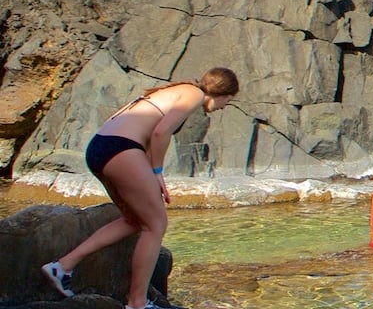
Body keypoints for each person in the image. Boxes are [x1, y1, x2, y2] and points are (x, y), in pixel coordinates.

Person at [41, 68, 239, 309]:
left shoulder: (172, 91)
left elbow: (145, 133)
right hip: (121, 148)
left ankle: (62, 266)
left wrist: (150, 175)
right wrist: (157, 171)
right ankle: (137, 303)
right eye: (227, 101)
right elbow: (160, 132)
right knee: (156, 225)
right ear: (222, 93)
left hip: (100, 148)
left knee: (135, 220)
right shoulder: (194, 93)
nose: (223, 108)